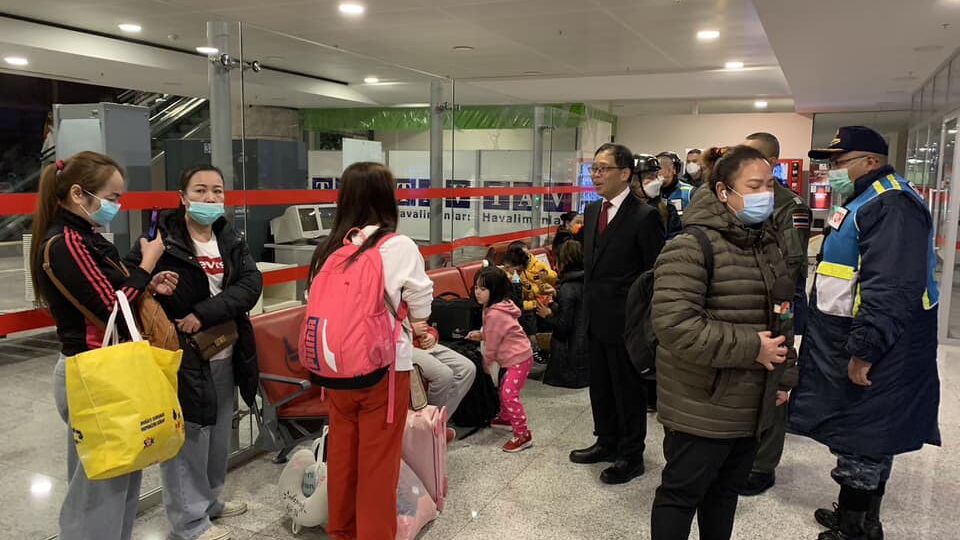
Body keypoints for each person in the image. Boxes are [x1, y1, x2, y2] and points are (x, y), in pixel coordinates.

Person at [789, 126, 942, 540]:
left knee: (866, 433)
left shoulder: (891, 206)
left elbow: (890, 286)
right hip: (856, 336)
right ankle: (862, 517)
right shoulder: (866, 198)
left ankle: (854, 528)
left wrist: (865, 349)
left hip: (882, 344)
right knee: (869, 429)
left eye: (839, 163)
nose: (831, 171)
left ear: (870, 162)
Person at [650, 145, 794, 540]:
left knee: (724, 493)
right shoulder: (691, 246)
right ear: (723, 192)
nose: (766, 192)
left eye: (770, 183)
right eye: (754, 185)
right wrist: (752, 347)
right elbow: (674, 324)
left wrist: (784, 376)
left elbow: (782, 315)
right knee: (681, 495)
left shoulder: (766, 243)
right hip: (702, 401)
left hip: (752, 401)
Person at [31, 152, 176, 540]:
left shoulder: (87, 238)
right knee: (100, 487)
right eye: (112, 196)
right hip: (95, 373)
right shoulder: (65, 243)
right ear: (78, 194)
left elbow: (113, 291)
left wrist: (148, 280)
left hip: (111, 369)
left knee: (122, 476)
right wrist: (146, 268)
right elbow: (110, 307)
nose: (117, 205)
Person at [126, 165, 263, 540]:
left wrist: (203, 313)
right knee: (188, 438)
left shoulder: (229, 237)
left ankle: (211, 501)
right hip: (183, 357)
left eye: (217, 192)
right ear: (182, 197)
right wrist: (152, 282)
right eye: (200, 191)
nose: (209, 199)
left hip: (226, 350)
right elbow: (131, 282)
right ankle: (189, 522)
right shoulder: (160, 240)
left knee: (219, 433)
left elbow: (252, 284)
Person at [307, 162, 435, 540]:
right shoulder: (398, 246)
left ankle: (342, 532)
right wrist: (422, 326)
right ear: (387, 197)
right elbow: (421, 303)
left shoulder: (330, 248)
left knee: (344, 457)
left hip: (335, 373)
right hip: (384, 372)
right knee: (378, 466)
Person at [568, 143, 665, 485]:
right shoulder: (594, 211)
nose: (596, 175)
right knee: (602, 386)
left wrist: (646, 322)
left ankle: (631, 454)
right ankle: (606, 441)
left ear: (625, 174)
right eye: (593, 168)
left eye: (603, 168)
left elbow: (654, 273)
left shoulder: (645, 215)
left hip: (628, 320)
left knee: (628, 389)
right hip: (596, 316)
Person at [738, 132, 812, 496]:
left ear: (771, 162)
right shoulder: (739, 196)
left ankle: (763, 465)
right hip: (741, 300)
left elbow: (792, 262)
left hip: (776, 302)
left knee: (776, 379)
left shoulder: (789, 204)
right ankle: (742, 454)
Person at [468, 266, 535, 452]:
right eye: (476, 288)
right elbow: (494, 333)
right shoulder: (492, 307)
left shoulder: (495, 313)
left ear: (494, 290)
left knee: (508, 393)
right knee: (505, 387)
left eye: (483, 289)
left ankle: (523, 434)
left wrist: (486, 361)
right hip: (515, 356)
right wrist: (481, 336)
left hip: (518, 357)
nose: (477, 292)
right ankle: (506, 418)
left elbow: (494, 342)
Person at [536, 240, 589, 389]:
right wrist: (555, 295)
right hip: (584, 357)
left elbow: (563, 327)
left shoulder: (567, 288)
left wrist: (547, 314)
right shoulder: (586, 281)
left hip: (568, 362)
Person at [410, 327, 477, 440]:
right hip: (401, 345)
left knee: (467, 368)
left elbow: (425, 323)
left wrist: (432, 335)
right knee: (444, 375)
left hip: (421, 342)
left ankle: (437, 423)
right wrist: (412, 331)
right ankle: (427, 426)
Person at [502, 241, 557, 363]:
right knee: (528, 315)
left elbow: (553, 278)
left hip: (542, 299)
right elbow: (516, 302)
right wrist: (530, 297)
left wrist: (546, 277)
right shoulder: (512, 276)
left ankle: (546, 346)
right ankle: (534, 347)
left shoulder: (537, 266)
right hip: (527, 304)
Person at [632, 153, 682, 240]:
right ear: (634, 181)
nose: (657, 182)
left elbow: (675, 239)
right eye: (650, 177)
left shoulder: (668, 209)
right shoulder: (621, 209)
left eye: (656, 176)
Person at [658, 151, 695, 216]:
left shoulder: (690, 193)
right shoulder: (652, 193)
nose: (657, 172)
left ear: (674, 169)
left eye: (660, 168)